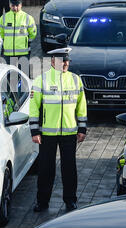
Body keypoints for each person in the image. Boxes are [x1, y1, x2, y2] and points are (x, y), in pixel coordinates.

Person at [29, 47, 87, 213]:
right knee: (46, 169)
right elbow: (34, 107)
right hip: (47, 134)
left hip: (69, 133)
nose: (66, 64)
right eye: (62, 61)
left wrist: (82, 128)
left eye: (67, 61)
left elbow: (81, 106)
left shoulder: (76, 80)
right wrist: (35, 131)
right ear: (53, 61)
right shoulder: (41, 80)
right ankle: (42, 202)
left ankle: (70, 201)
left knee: (69, 169)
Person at [0, 0, 36, 71]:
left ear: (21, 5)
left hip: (23, 52)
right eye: (13, 5)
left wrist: (28, 42)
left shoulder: (28, 18)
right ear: (9, 5)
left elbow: (33, 33)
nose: (15, 8)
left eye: (17, 5)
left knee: (24, 74)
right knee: (10, 75)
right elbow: (1, 33)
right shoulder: (4, 18)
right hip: (8, 52)